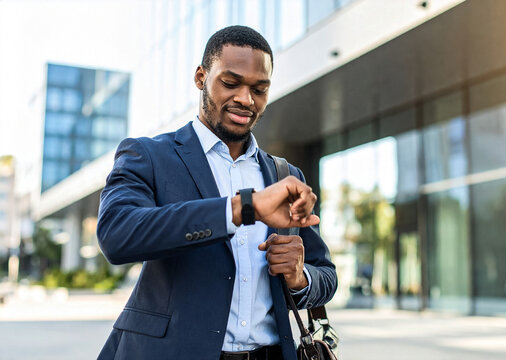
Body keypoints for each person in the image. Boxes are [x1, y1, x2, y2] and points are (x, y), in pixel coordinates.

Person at [96, 25, 337, 360]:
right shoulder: (148, 156)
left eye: (259, 89)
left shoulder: (285, 175)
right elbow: (116, 234)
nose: (245, 99)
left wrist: (300, 277)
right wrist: (242, 208)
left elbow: (325, 274)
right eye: (230, 82)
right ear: (201, 77)